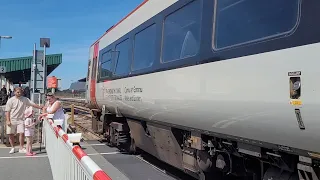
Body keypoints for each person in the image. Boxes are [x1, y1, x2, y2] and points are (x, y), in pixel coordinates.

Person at [5, 87, 43, 154]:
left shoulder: (25, 99)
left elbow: (32, 104)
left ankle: (21, 148)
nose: (19, 93)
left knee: (21, 133)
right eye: (17, 92)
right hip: (12, 119)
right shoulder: (10, 100)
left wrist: (40, 107)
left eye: (20, 92)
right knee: (11, 134)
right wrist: (8, 120)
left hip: (21, 119)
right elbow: (7, 111)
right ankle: (12, 147)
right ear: (14, 92)